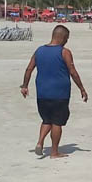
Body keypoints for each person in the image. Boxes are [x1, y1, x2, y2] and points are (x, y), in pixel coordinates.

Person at [20, 25, 88, 158]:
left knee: (46, 120)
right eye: (67, 38)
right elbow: (73, 72)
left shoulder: (39, 50)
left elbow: (29, 69)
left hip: (42, 93)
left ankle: (40, 142)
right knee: (57, 122)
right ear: (63, 37)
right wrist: (82, 89)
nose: (67, 41)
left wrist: (25, 86)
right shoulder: (64, 52)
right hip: (60, 93)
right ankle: (54, 152)